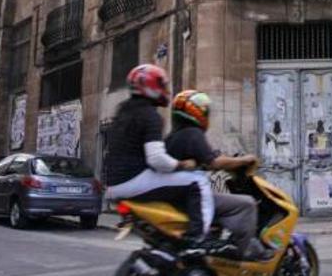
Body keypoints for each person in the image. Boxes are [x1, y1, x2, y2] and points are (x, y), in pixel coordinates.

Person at [104, 64, 212, 247]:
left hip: (114, 183)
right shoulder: (150, 115)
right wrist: (182, 164)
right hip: (134, 180)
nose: (166, 91)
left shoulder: (123, 113)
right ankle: (198, 238)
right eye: (162, 86)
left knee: (177, 182)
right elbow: (156, 159)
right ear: (151, 88)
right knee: (198, 181)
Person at [167, 90, 275, 261]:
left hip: (180, 197)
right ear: (197, 112)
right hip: (192, 198)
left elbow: (203, 160)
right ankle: (243, 252)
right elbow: (214, 162)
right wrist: (244, 160)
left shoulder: (173, 137)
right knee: (247, 204)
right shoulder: (192, 134)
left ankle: (222, 243)